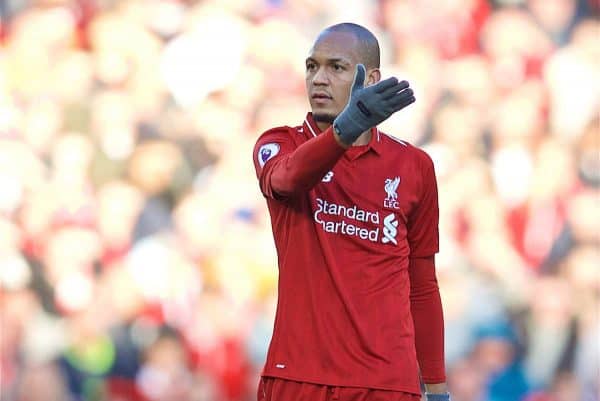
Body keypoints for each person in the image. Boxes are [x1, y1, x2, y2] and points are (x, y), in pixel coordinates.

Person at [252, 22, 450, 401]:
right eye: (312, 66)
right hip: (299, 376)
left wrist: (438, 388)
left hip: (387, 383)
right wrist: (347, 128)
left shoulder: (414, 166)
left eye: (336, 67)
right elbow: (288, 180)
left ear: (370, 78)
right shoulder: (279, 143)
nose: (318, 79)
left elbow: (421, 285)